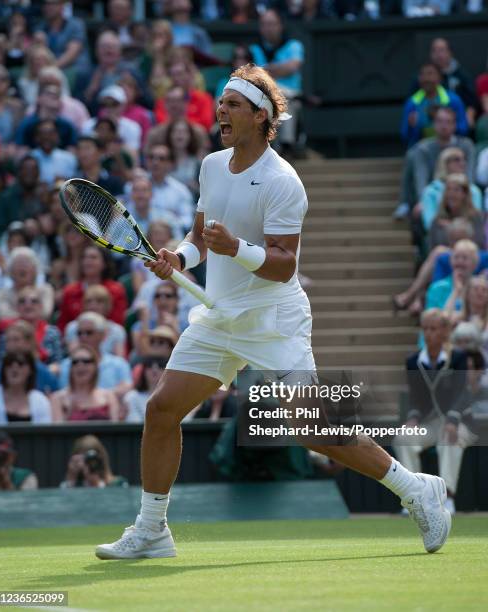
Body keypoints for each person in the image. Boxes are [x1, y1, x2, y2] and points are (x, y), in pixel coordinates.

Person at [96, 65, 452, 560]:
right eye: (220, 102)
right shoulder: (212, 166)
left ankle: (416, 489)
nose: (221, 110)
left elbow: (283, 266)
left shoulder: (284, 181)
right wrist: (181, 258)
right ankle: (152, 529)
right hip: (219, 316)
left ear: (261, 116)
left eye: (232, 104)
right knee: (161, 409)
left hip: (273, 319)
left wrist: (237, 247)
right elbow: (200, 239)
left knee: (313, 430)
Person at [394, 308, 475, 515]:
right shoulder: (413, 361)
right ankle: (414, 497)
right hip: (429, 422)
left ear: (445, 332)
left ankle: (446, 498)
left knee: (449, 438)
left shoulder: (457, 357)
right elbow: (414, 397)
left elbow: (462, 393)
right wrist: (412, 419)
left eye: (433, 328)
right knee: (403, 438)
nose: (428, 333)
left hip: (457, 421)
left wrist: (452, 420)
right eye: (425, 329)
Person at [395, 106, 475, 219]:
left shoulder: (466, 146)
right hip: (434, 196)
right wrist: (422, 201)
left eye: (448, 122)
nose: (444, 126)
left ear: (455, 125)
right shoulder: (422, 149)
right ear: (433, 124)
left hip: (462, 194)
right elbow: (420, 178)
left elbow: (470, 176)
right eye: (440, 121)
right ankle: (404, 204)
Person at [250, 9, 304, 153]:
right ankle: (283, 147)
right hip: (262, 96)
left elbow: (293, 67)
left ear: (280, 25)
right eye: (265, 24)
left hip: (292, 96)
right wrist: (280, 68)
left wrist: (266, 70)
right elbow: (254, 74)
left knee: (282, 98)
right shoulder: (254, 49)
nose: (269, 28)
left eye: (272, 24)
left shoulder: (294, 45)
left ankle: (285, 147)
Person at [57, 312, 132, 399]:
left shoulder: (119, 364)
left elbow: (127, 388)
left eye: (89, 333)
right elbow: (65, 394)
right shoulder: (68, 364)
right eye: (79, 333)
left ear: (102, 335)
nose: (83, 337)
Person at [57, 244, 128, 332]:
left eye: (93, 257)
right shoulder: (70, 291)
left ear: (104, 263)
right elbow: (63, 324)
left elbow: (118, 322)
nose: (87, 261)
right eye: (84, 257)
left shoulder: (116, 290)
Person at [401, 63, 468, 148]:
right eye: (422, 74)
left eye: (430, 74)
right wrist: (412, 127)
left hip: (450, 147)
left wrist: (447, 125)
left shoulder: (453, 100)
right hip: (423, 150)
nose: (426, 78)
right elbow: (405, 136)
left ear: (439, 78)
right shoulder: (412, 103)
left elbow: (464, 129)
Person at [51, 345, 120, 422]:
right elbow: (57, 432)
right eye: (75, 362)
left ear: (95, 367)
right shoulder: (58, 398)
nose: (80, 365)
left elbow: (115, 430)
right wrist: (69, 414)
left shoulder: (109, 396)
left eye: (86, 361)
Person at [0, 320, 59, 395]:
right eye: (8, 340)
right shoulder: (0, 372)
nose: (10, 345)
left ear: (29, 342)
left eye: (16, 340)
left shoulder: (44, 374)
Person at [143, 143, 195, 233]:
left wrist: (169, 221)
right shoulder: (134, 186)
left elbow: (187, 221)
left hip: (170, 240)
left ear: (170, 163)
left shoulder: (181, 191)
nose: (155, 162)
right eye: (151, 157)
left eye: (161, 159)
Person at [64, 284, 127, 358]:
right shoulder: (73, 327)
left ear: (108, 305)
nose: (93, 305)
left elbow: (120, 359)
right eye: (89, 301)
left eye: (99, 301)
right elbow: (74, 356)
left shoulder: (117, 330)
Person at [82, 85, 141, 162]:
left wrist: (114, 135)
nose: (109, 108)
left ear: (123, 105)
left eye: (114, 104)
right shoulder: (89, 124)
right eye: (104, 104)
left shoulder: (132, 127)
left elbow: (133, 158)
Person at [34, 0, 91, 77]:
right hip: (50, 72)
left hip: (74, 70)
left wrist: (51, 69)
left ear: (62, 6)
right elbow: (38, 56)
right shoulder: (40, 28)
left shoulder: (76, 25)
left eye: (52, 4)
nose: (48, 7)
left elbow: (71, 54)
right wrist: (40, 45)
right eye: (46, 4)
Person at [428, 173, 484, 251]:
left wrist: (452, 227)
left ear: (465, 194)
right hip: (444, 259)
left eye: (456, 190)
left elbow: (479, 245)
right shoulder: (437, 220)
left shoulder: (475, 217)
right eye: (448, 190)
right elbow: (432, 248)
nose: (451, 194)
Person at [0, 351, 52, 424]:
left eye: (20, 363)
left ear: (30, 370)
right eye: (9, 363)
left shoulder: (41, 401)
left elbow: (45, 432)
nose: (14, 367)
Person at [0, 156, 45, 238]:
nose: (30, 172)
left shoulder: (43, 196)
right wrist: (22, 228)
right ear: (19, 172)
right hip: (11, 244)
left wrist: (40, 225)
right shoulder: (5, 197)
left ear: (38, 173)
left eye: (33, 169)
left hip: (39, 243)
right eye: (26, 169)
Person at [60, 434, 128, 488]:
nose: (89, 464)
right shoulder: (72, 486)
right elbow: (63, 502)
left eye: (92, 459)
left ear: (101, 459)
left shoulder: (119, 484)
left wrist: (97, 483)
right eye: (84, 460)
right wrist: (71, 478)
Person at [31, 118, 77, 185]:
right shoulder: (30, 158)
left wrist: (65, 181)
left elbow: (76, 185)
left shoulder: (69, 159)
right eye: (43, 133)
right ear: (36, 137)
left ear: (57, 136)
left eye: (50, 133)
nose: (46, 137)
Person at [124, 356, 168, 422]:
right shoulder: (132, 397)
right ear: (143, 371)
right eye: (149, 365)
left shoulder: (175, 397)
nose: (154, 370)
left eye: (160, 365)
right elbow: (134, 424)